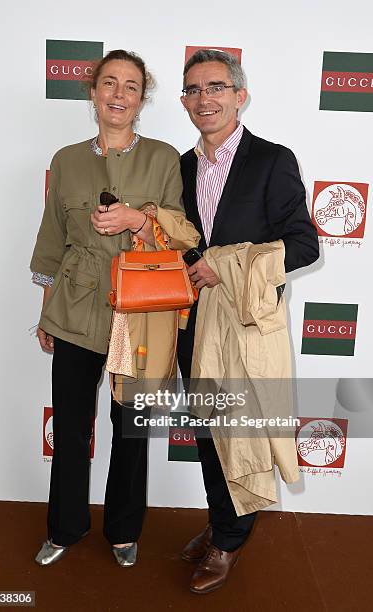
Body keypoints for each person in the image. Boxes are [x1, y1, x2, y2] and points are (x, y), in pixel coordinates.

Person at [30, 49, 199, 568]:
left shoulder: (165, 157)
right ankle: (64, 527)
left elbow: (183, 234)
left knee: (131, 428)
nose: (118, 94)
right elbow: (52, 239)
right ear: (93, 92)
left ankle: (124, 531)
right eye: (109, 83)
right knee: (73, 426)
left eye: (130, 85)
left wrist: (138, 220)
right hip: (76, 309)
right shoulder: (66, 159)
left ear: (141, 96)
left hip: (142, 314)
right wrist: (46, 309)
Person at [176, 49, 319, 594]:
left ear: (239, 95)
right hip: (195, 326)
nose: (203, 99)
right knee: (210, 434)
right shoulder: (182, 167)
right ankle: (222, 520)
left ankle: (229, 541)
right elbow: (188, 243)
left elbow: (303, 245)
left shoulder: (271, 159)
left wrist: (226, 266)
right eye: (192, 90)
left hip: (245, 326)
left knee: (241, 432)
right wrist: (196, 263)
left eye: (214, 87)